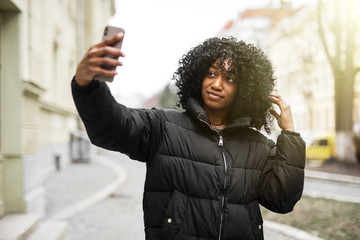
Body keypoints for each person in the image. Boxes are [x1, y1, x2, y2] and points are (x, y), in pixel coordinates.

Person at [72, 33, 305, 240]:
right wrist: (87, 84)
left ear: (245, 89)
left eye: (229, 78)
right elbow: (112, 128)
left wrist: (290, 134)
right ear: (197, 76)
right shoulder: (163, 126)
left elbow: (282, 200)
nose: (216, 84)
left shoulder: (258, 145)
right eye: (211, 73)